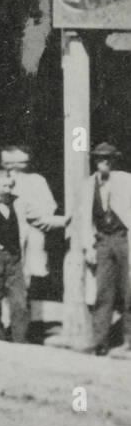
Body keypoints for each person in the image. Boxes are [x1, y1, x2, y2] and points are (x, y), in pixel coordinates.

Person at [0, 166, 65, 343]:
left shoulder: (20, 203)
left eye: (11, 186)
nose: (9, 190)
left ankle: (20, 342)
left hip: (15, 260)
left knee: (19, 304)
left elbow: (40, 220)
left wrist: (65, 221)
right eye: (5, 186)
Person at [78, 142, 131, 355]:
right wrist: (88, 246)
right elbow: (84, 220)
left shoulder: (126, 180)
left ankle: (129, 341)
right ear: (95, 161)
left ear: (115, 160)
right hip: (102, 241)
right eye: (100, 158)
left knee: (129, 291)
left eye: (108, 158)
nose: (104, 162)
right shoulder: (88, 185)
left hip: (124, 239)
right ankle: (99, 342)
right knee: (103, 292)